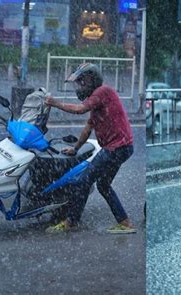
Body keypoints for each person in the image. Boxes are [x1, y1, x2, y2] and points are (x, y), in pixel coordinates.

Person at [44, 63, 136, 234]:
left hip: (116, 147)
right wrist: (75, 149)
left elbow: (79, 109)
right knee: (103, 185)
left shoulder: (102, 92)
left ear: (93, 80)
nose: (80, 87)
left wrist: (55, 103)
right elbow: (88, 127)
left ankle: (71, 221)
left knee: (82, 181)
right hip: (121, 147)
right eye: (78, 83)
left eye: (82, 82)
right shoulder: (98, 102)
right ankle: (125, 223)